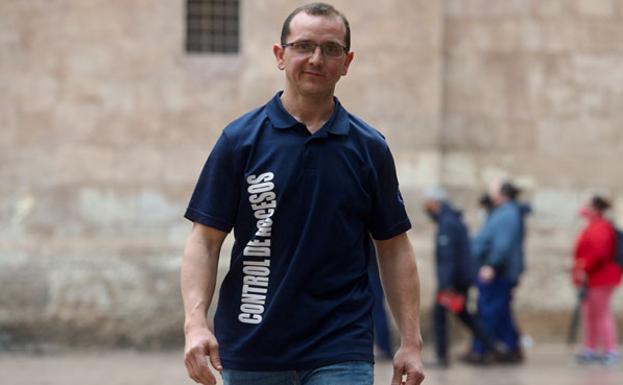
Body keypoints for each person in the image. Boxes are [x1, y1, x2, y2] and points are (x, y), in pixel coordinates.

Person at [180, 3, 425, 385]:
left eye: (331, 49)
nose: (316, 58)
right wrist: (195, 324)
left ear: (347, 62)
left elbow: (394, 247)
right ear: (281, 56)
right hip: (252, 345)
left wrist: (411, 341)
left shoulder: (369, 148)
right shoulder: (240, 141)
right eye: (303, 46)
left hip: (341, 345)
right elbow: (205, 240)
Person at [422, 188, 497, 367]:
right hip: (459, 279)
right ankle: (492, 345)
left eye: (427, 203)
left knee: (440, 314)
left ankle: (442, 357)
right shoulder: (452, 220)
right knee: (463, 314)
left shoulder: (447, 223)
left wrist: (445, 285)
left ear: (435, 203)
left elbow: (448, 257)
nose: (425, 207)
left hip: (453, 281)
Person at [467, 180, 529, 364]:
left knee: (490, 310)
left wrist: (492, 266)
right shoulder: (503, 213)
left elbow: (503, 245)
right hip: (497, 271)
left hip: (497, 272)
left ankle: (482, 349)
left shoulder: (507, 214)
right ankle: (511, 347)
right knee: (501, 311)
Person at [572, 195, 622, 366]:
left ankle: (610, 350)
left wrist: (584, 269)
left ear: (595, 209)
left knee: (601, 314)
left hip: (600, 277)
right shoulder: (592, 226)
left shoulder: (601, 227)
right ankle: (591, 348)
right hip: (591, 278)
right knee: (590, 314)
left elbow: (599, 253)